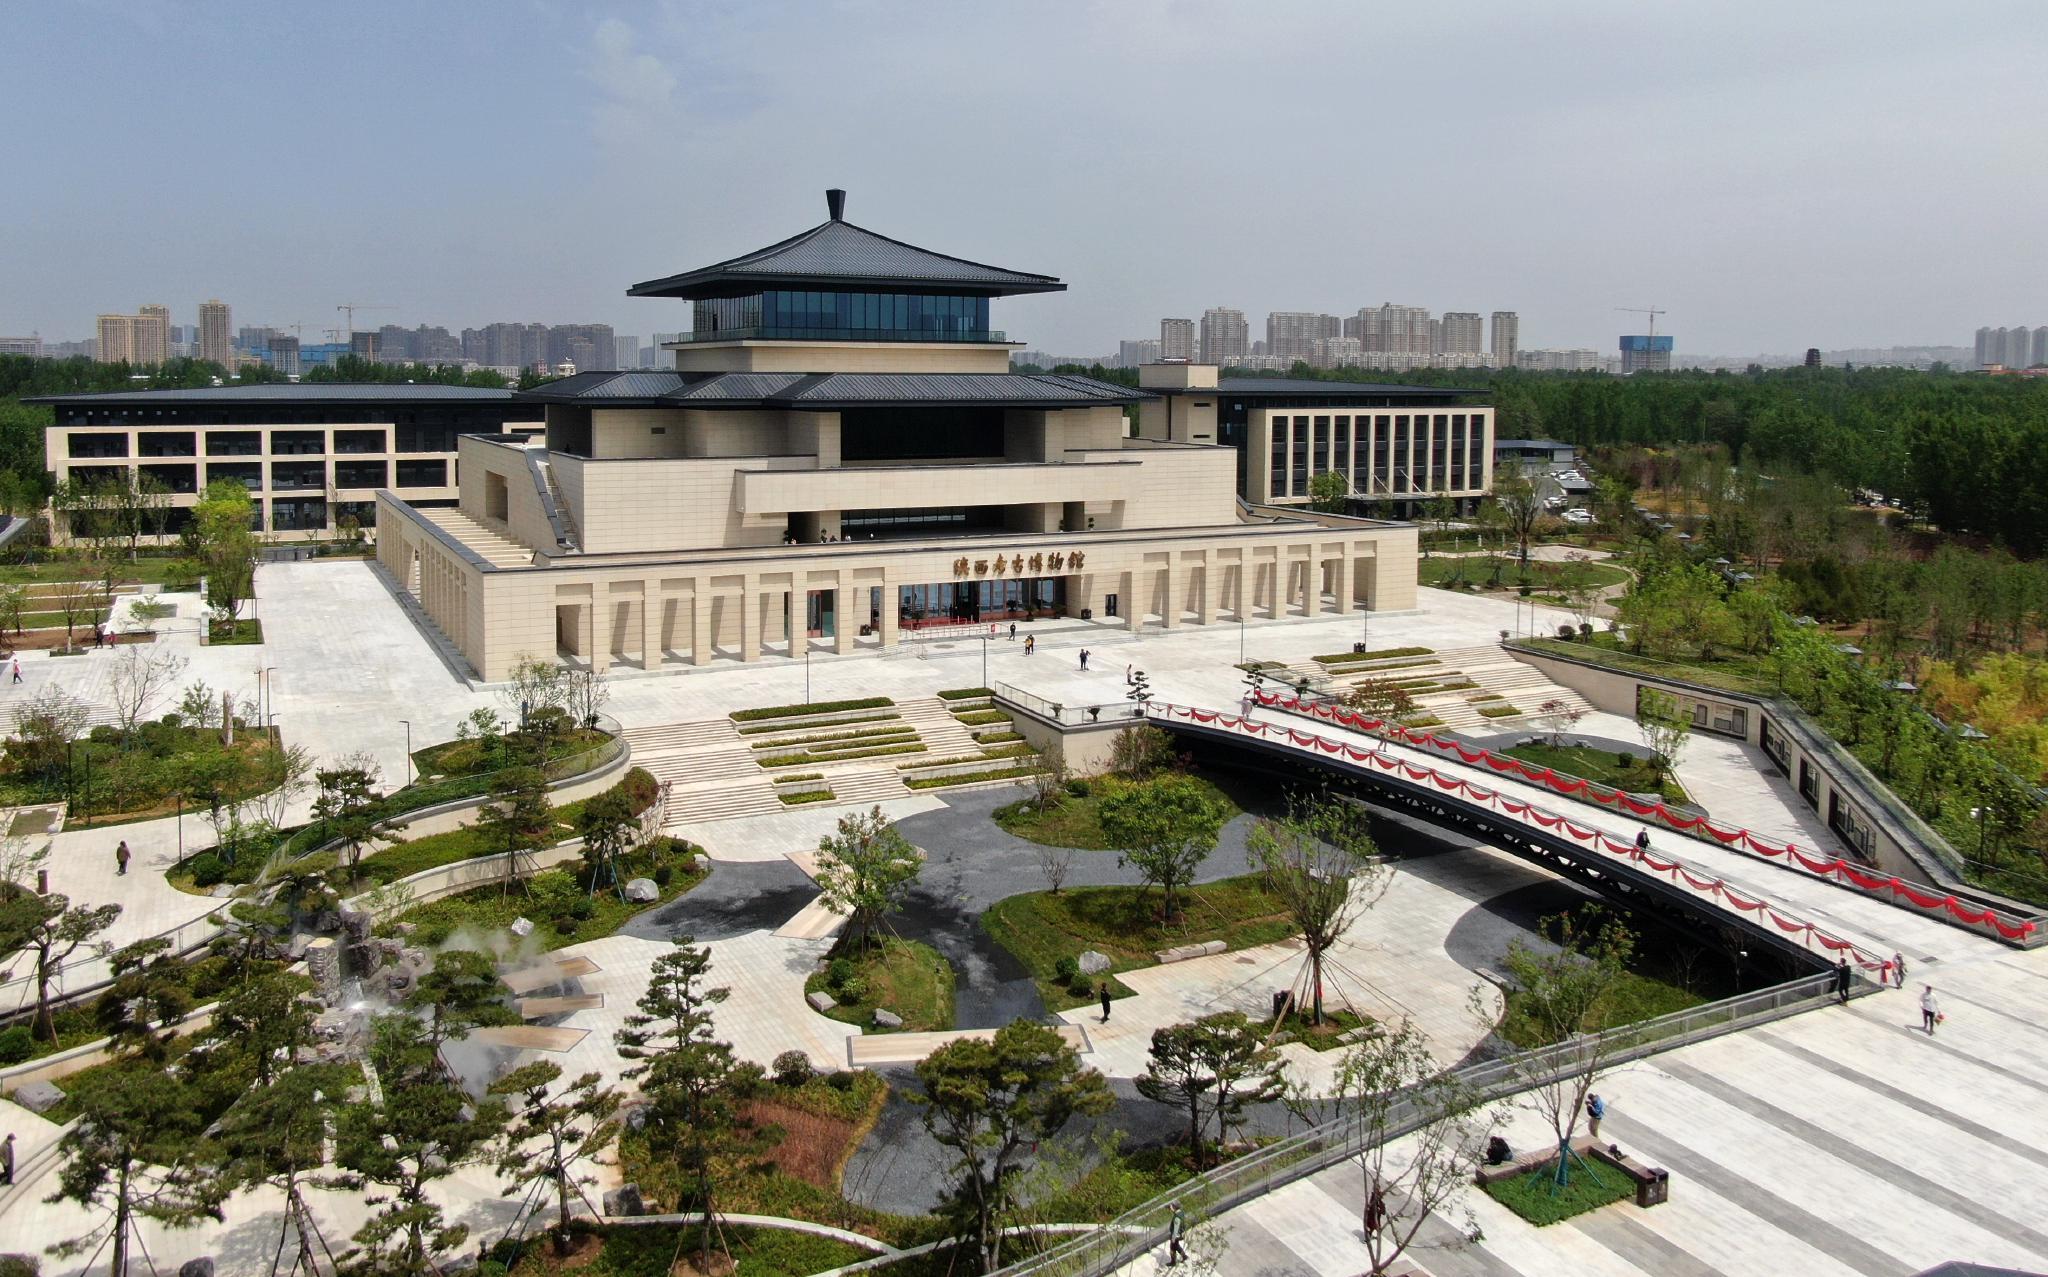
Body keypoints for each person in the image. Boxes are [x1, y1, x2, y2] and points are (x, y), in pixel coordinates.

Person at [1166, 1201, 1187, 1266]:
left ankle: (1173, 1262)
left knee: (1172, 1248)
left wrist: (1173, 1238)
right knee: (1176, 1246)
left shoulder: (1177, 1217)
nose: (1170, 1208)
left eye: (1171, 1206)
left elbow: (1176, 1229)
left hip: (1176, 1235)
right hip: (1181, 1233)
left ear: (1174, 1207)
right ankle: (1184, 1256)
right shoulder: (1181, 1212)